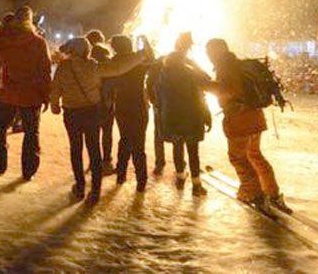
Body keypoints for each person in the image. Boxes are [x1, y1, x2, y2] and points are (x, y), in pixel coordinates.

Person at [51, 37, 147, 202]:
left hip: (71, 113)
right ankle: (95, 190)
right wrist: (142, 54)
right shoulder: (93, 66)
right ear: (86, 51)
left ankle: (80, 186)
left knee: (76, 149)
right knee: (94, 150)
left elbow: (55, 90)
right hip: (91, 112)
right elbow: (118, 68)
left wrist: (54, 105)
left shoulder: (63, 68)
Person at [206, 39, 292, 214]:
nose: (208, 56)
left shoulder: (226, 67)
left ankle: (254, 195)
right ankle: (272, 193)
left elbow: (230, 91)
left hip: (240, 118)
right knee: (254, 154)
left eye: (209, 52)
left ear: (215, 52)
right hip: (255, 117)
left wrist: (206, 85)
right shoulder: (239, 64)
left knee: (239, 158)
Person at [0, 6, 51, 179]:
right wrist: (46, 95)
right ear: (30, 20)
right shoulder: (38, 42)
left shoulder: (3, 40)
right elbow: (45, 71)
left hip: (7, 93)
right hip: (31, 96)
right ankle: (28, 171)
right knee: (31, 134)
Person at [151, 32, 211, 196]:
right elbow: (201, 94)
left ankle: (180, 177)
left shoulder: (162, 76)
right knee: (193, 151)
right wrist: (206, 115)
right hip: (192, 118)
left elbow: (156, 94)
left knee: (178, 148)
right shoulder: (191, 73)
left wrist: (160, 112)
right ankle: (197, 185)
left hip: (171, 118)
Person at [108, 35, 153, 192]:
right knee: (139, 144)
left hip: (121, 106)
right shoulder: (137, 61)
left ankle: (121, 174)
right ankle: (141, 180)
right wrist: (145, 41)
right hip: (139, 106)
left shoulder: (114, 62)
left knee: (125, 139)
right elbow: (151, 58)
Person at [87, 29, 116, 175]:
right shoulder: (107, 58)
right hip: (105, 102)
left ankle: (94, 161)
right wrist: (110, 99)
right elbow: (111, 81)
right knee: (107, 132)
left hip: (90, 101)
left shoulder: (85, 59)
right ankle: (106, 160)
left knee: (92, 133)